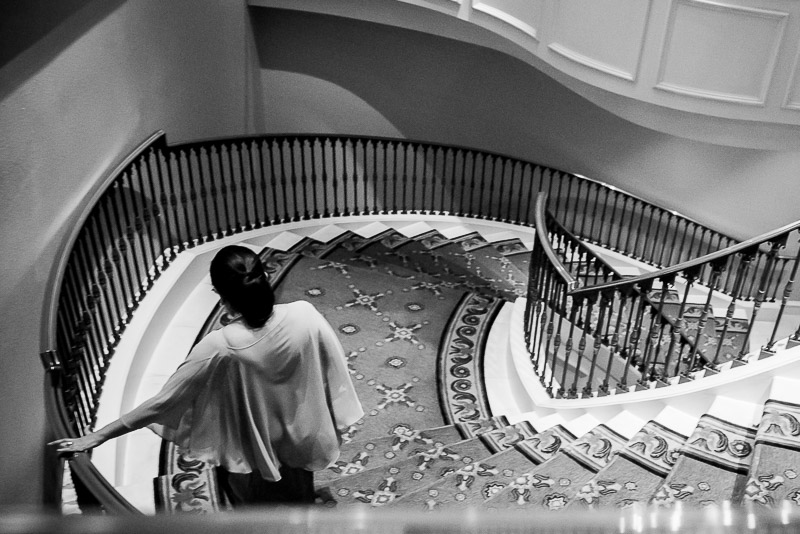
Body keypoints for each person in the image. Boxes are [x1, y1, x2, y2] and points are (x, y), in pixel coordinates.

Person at [50, 245, 363, 506]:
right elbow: (330, 370)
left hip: (255, 451)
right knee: (298, 498)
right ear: (265, 277)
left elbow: (163, 403)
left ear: (218, 292)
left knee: (253, 509)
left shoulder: (219, 345)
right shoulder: (305, 313)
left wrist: (96, 436)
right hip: (303, 436)